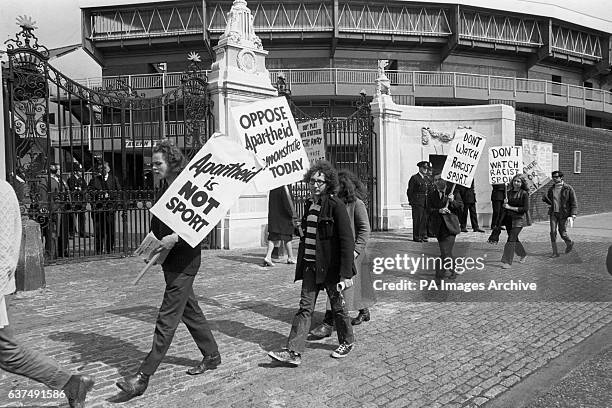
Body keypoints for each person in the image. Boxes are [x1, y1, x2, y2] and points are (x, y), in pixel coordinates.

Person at [116, 140, 220, 399]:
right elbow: (161, 223)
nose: (153, 168)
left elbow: (201, 227)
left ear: (172, 163)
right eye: (152, 164)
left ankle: (143, 377)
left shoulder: (188, 187)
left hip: (185, 262)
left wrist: (176, 238)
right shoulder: (164, 187)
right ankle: (212, 355)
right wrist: (150, 245)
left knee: (167, 317)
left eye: (158, 163)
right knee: (190, 311)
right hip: (168, 261)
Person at [0, 179, 95, 408]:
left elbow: (4, 252)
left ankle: (71, 383)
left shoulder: (2, 191)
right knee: (6, 350)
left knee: (7, 351)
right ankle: (71, 383)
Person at [268, 161, 356, 366]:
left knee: (338, 308)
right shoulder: (310, 204)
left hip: (330, 269)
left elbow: (346, 240)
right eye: (312, 180)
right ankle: (293, 351)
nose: (315, 185)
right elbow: (312, 235)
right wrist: (302, 227)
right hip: (310, 266)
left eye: (320, 181)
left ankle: (347, 341)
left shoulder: (336, 206)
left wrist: (346, 273)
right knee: (304, 308)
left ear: (328, 183)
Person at [309, 170, 373, 338]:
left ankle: (329, 322)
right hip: (337, 253)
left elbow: (365, 230)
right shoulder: (332, 203)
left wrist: (355, 251)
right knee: (346, 288)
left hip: (353, 254)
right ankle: (361, 311)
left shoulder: (356, 204)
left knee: (341, 288)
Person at [427, 173, 463, 282]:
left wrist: (452, 201)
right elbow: (428, 209)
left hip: (451, 226)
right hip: (439, 227)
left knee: (445, 251)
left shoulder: (453, 192)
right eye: (436, 180)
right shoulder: (432, 194)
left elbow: (461, 207)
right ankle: (453, 269)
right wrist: (439, 210)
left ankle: (439, 275)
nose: (438, 182)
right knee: (446, 252)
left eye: (441, 180)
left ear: (445, 181)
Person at [542, 170, 577, 258]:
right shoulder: (551, 189)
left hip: (564, 214)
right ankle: (555, 252)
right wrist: (545, 199)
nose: (554, 179)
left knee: (562, 233)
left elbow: (573, 202)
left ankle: (569, 243)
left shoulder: (568, 188)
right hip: (553, 213)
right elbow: (551, 201)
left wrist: (573, 213)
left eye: (556, 177)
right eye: (553, 177)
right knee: (552, 232)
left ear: (561, 177)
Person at [88, 161, 121, 254]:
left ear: (108, 169)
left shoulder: (113, 179)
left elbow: (118, 192)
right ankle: (99, 249)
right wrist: (96, 200)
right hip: (98, 209)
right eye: (100, 169)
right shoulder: (94, 180)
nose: (102, 170)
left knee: (110, 230)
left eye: (104, 168)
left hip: (110, 209)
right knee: (99, 231)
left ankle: (109, 248)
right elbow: (89, 192)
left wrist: (114, 203)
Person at [41, 163, 71, 259]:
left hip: (62, 209)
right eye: (58, 169)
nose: (60, 171)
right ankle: (50, 254)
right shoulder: (45, 179)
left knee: (61, 232)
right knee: (52, 233)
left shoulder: (61, 179)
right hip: (53, 209)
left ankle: (61, 251)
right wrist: (45, 208)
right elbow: (43, 195)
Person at [500, 175, 529, 269]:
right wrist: (504, 204)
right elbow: (504, 207)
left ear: (522, 183)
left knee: (511, 240)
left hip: (519, 220)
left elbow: (525, 209)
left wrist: (510, 207)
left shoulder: (524, 193)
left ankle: (507, 261)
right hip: (509, 219)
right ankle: (522, 254)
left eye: (518, 181)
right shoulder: (508, 193)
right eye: (515, 181)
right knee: (514, 239)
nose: (516, 183)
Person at [263, 185, 296, 266]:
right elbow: (288, 204)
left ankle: (268, 256)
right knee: (287, 237)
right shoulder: (285, 188)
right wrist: (293, 214)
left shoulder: (273, 188)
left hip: (274, 217)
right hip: (284, 217)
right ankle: (290, 257)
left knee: (273, 237)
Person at [407, 161, 433, 242]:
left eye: (427, 168)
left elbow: (429, 190)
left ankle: (423, 235)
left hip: (425, 202)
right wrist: (412, 201)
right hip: (417, 202)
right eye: (424, 168)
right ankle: (417, 236)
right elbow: (410, 191)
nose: (426, 170)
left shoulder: (426, 179)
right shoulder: (414, 178)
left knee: (424, 219)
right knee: (417, 219)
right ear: (420, 168)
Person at [67, 166, 90, 238]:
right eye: (80, 171)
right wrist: (77, 189)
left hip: (81, 200)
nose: (81, 173)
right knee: (72, 217)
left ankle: (82, 232)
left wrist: (81, 190)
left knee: (82, 217)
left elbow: (85, 188)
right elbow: (71, 188)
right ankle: (71, 232)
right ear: (76, 171)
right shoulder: (71, 179)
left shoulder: (82, 179)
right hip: (74, 200)